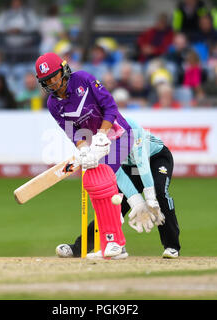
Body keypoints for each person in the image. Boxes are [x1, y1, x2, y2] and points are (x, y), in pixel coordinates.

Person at [35, 53, 164, 259]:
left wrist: (102, 136)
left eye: (54, 76)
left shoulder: (84, 79)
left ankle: (115, 243)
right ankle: (108, 244)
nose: (52, 83)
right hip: (95, 142)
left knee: (102, 178)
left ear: (64, 69)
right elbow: (72, 130)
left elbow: (110, 107)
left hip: (120, 134)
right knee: (95, 183)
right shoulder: (53, 104)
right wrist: (83, 149)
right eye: (46, 80)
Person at [56, 117, 181, 259]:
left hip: (155, 159)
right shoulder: (97, 140)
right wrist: (136, 201)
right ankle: (81, 248)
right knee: (111, 205)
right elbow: (117, 173)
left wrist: (150, 198)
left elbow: (143, 164)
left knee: (159, 194)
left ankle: (172, 246)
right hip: (129, 167)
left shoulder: (130, 127)